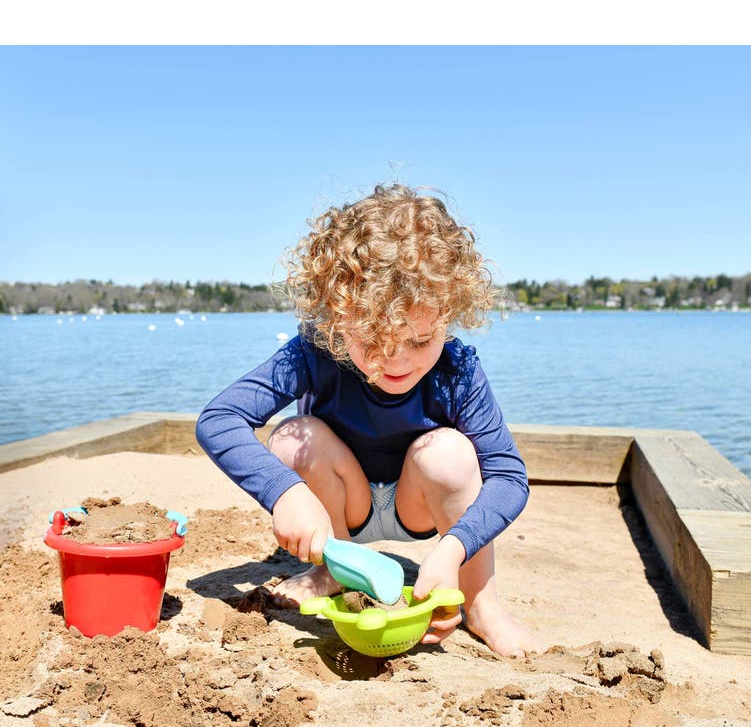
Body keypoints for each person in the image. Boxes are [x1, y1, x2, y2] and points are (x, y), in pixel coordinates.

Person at [196, 184, 545, 657]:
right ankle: (330, 572)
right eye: (374, 340)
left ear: (450, 314)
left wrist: (454, 548)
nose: (397, 361)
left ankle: (483, 604)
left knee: (450, 453)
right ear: (338, 318)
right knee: (295, 436)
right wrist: (286, 493)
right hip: (341, 508)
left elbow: (509, 477)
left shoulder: (458, 370)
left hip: (417, 503)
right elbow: (219, 419)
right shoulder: (314, 351)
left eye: (420, 342)